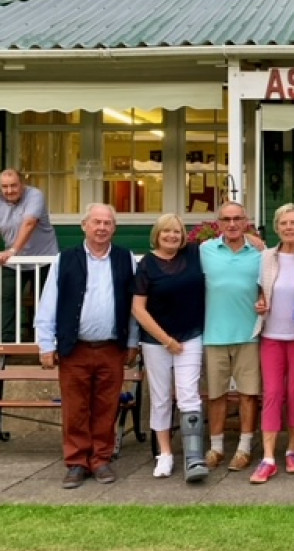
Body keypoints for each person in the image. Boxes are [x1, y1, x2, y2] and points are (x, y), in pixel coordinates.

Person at [34, 203, 139, 489]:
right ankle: (77, 462)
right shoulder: (64, 260)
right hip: (74, 348)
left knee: (106, 406)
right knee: (75, 407)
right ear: (84, 226)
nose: (102, 228)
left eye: (107, 223)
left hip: (111, 348)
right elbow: (48, 304)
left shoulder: (125, 259)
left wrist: (132, 342)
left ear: (114, 228)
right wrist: (46, 344)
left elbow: (133, 307)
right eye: (97, 222)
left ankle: (101, 459)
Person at [131, 214, 208, 482]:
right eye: (166, 232)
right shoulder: (146, 266)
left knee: (189, 394)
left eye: (176, 232)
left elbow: (236, 238)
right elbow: (138, 309)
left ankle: (194, 456)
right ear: (157, 235)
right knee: (161, 397)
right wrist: (166, 340)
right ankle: (164, 455)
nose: (172, 236)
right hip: (157, 342)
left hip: (190, 336)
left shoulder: (194, 254)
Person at [249, 203, 294, 484]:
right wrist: (260, 303)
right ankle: (268, 457)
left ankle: (292, 450)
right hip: (271, 336)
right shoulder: (266, 257)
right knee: (272, 394)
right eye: (284, 223)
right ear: (277, 227)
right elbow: (262, 292)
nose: (289, 227)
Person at [200, 201, 262, 473]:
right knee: (216, 394)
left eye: (238, 218)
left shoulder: (260, 253)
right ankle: (216, 447)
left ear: (246, 220)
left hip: (249, 333)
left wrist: (263, 297)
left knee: (248, 394)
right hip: (214, 334)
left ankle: (245, 447)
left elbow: (269, 284)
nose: (232, 224)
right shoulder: (205, 250)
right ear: (218, 223)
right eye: (226, 219)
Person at [0, 169, 59, 342]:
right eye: (5, 187)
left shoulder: (35, 195)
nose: (9, 190)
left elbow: (30, 223)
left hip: (44, 259)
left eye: (13, 186)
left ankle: (47, 343)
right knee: (6, 300)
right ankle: (6, 344)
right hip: (14, 262)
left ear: (22, 184)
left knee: (47, 302)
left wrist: (12, 251)